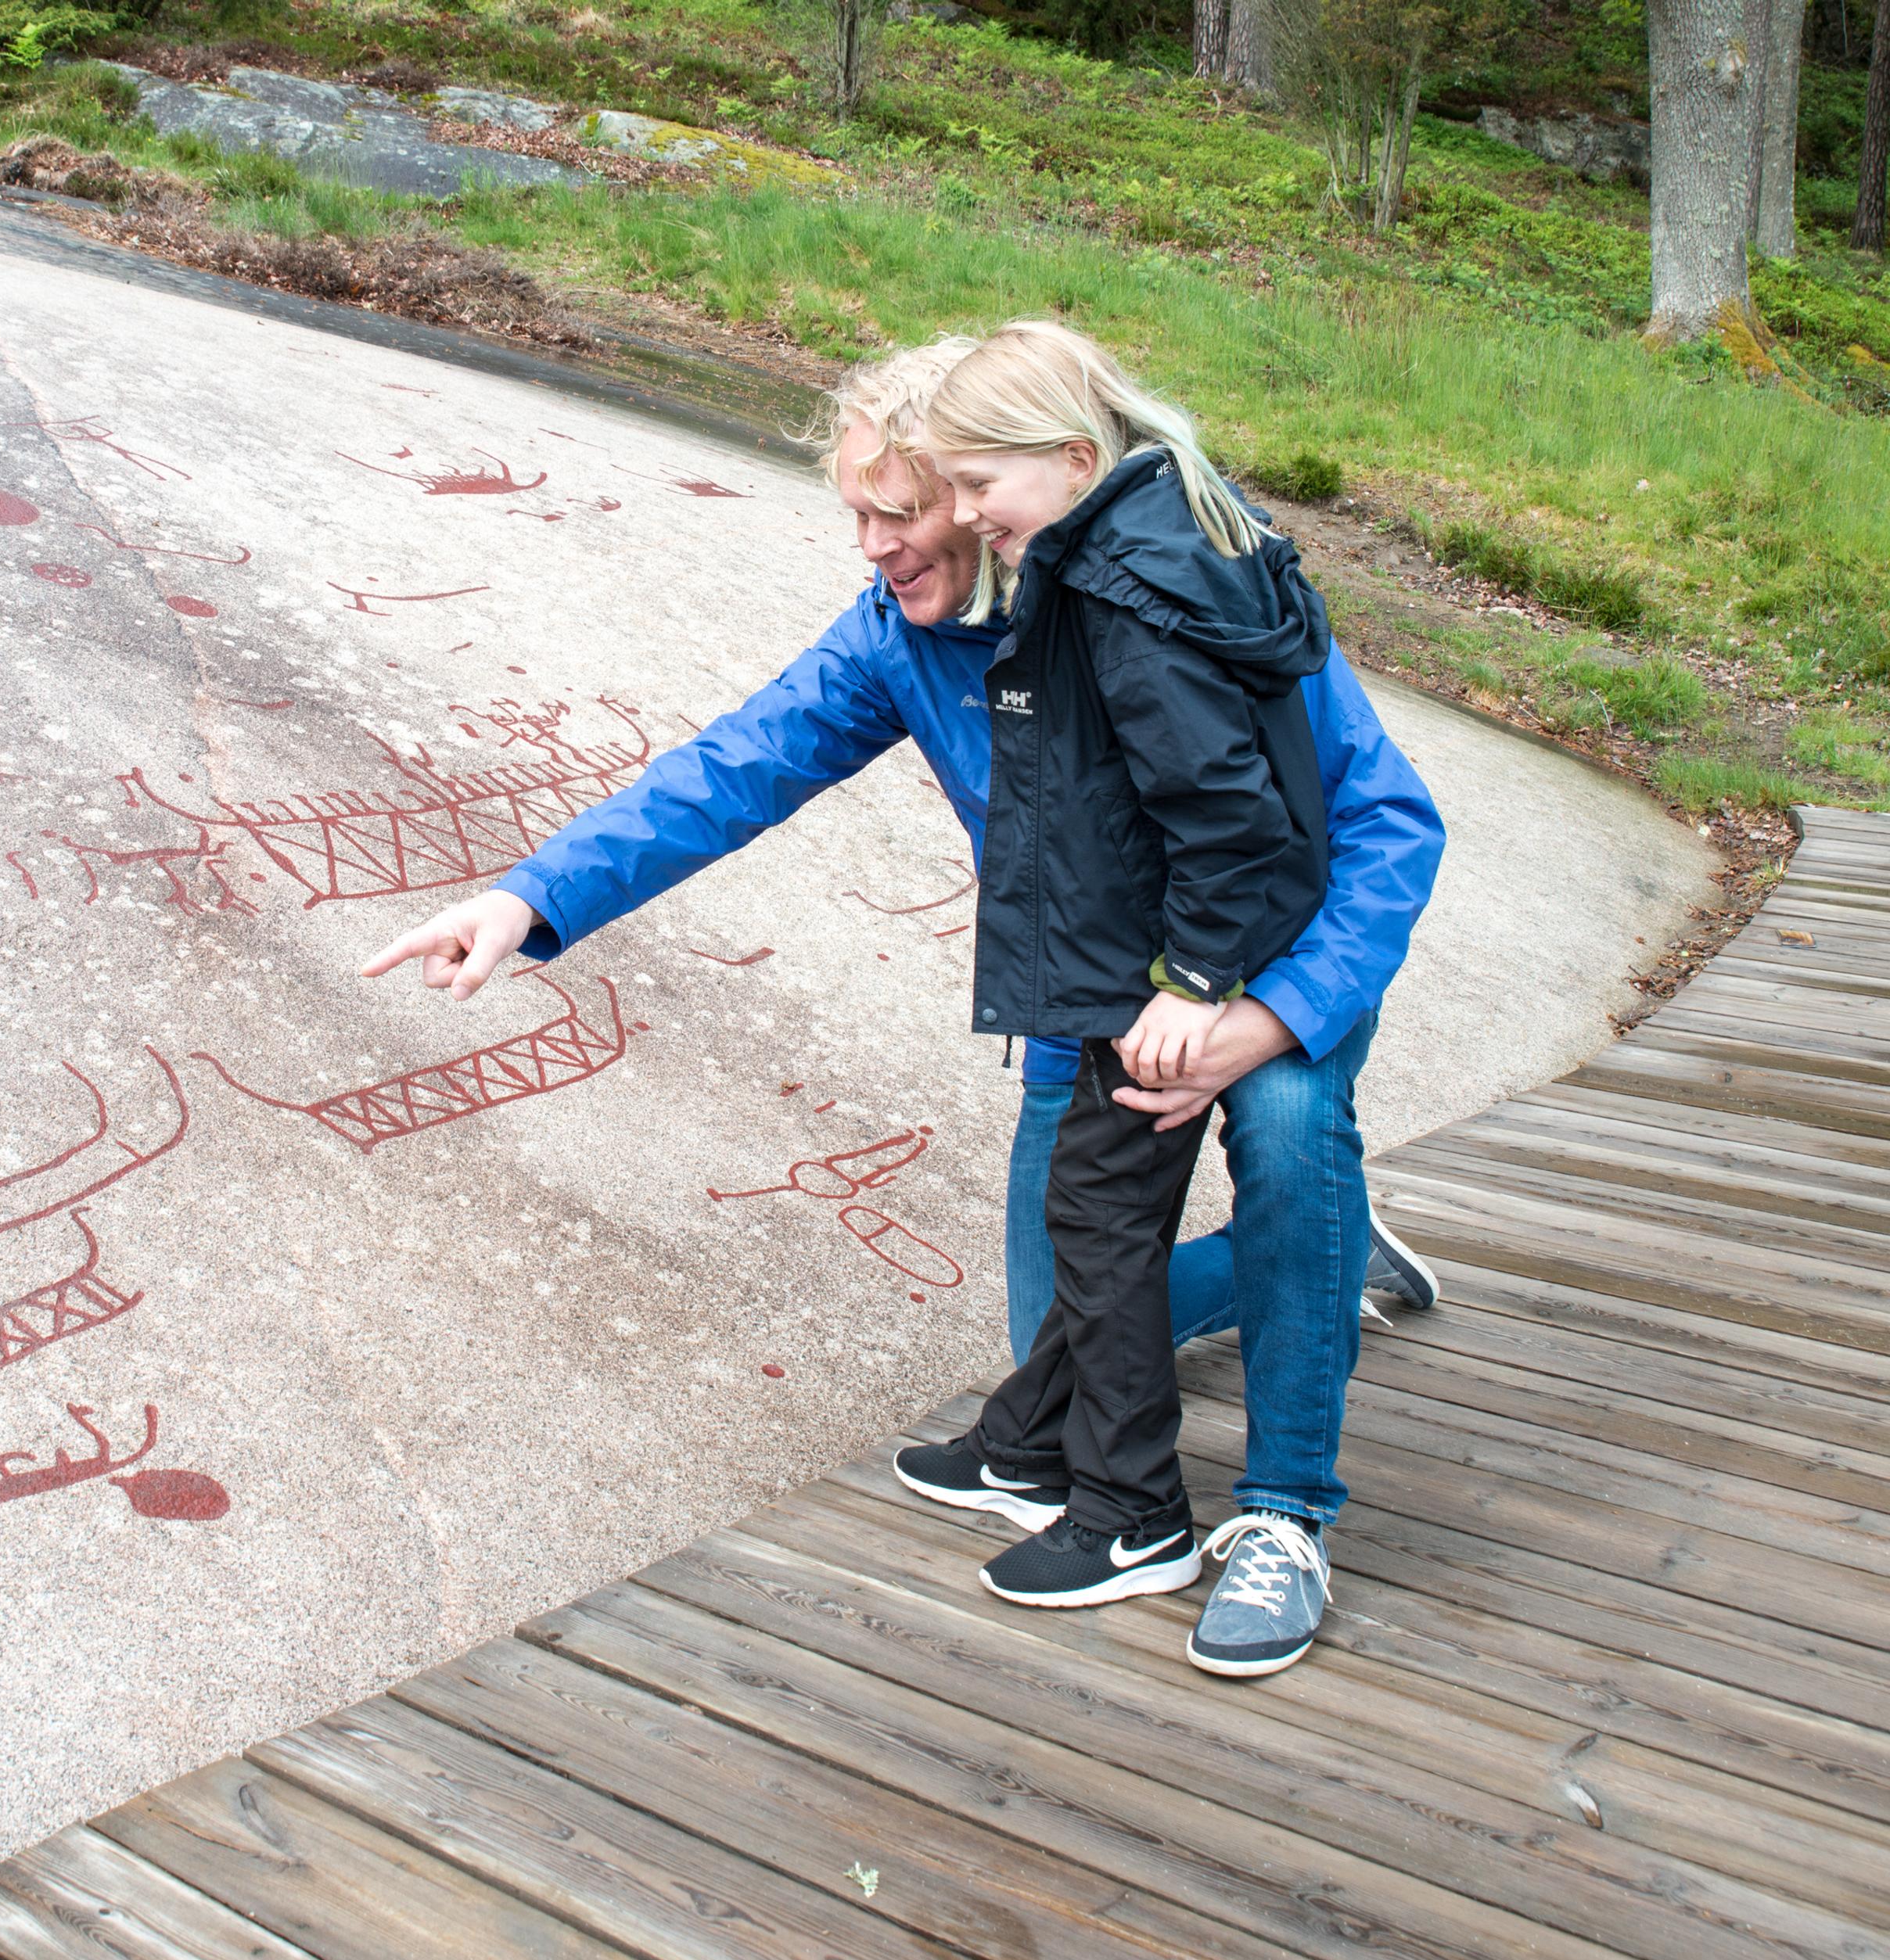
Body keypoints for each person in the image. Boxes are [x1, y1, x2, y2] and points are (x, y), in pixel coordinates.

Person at [361, 333, 1444, 1678]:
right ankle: (1329, 1260)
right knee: (1062, 1353)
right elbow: (734, 767)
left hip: (1273, 963)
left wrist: (1270, 1018)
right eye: (855, 515)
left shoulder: (1188, 585)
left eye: (901, 511)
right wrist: (529, 899)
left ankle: (1287, 1509)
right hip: (1092, 1009)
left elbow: (1394, 823)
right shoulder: (902, 634)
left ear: (1002, 498)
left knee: (1286, 1140)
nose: (873, 546)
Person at [886, 320, 1331, 1614]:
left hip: (1183, 963)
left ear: (1076, 456)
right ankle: (1029, 1445)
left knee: (1099, 1213)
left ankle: (1134, 1510)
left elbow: (1227, 815)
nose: (966, 515)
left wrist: (1189, 987)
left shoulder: (1129, 592)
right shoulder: (1127, 543)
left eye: (980, 488)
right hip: (1141, 949)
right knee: (1104, 1206)